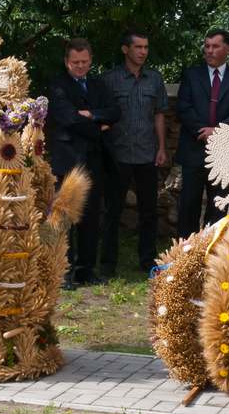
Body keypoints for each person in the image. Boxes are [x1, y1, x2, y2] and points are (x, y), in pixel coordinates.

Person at [46, 38, 122, 286]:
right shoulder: (57, 85)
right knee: (66, 215)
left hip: (94, 159)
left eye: (84, 62)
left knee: (91, 216)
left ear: (90, 61)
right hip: (67, 159)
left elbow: (115, 112)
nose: (80, 66)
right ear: (67, 62)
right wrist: (99, 126)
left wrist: (92, 115)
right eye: (75, 62)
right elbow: (67, 117)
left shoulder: (99, 85)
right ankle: (65, 272)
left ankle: (86, 270)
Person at [99, 30, 169, 278]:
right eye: (138, 47)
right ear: (125, 49)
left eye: (146, 47)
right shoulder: (109, 79)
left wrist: (161, 147)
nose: (143, 52)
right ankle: (107, 264)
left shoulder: (155, 79)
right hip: (117, 154)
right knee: (112, 211)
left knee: (149, 211)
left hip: (147, 153)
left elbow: (160, 113)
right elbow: (102, 115)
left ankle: (147, 260)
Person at [175, 29, 229, 237]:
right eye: (207, 46)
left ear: (228, 48)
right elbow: (183, 106)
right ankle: (185, 252)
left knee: (218, 206)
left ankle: (214, 251)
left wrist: (216, 131)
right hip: (194, 147)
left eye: (215, 46)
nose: (209, 50)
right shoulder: (192, 74)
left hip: (224, 152)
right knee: (188, 204)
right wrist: (201, 130)